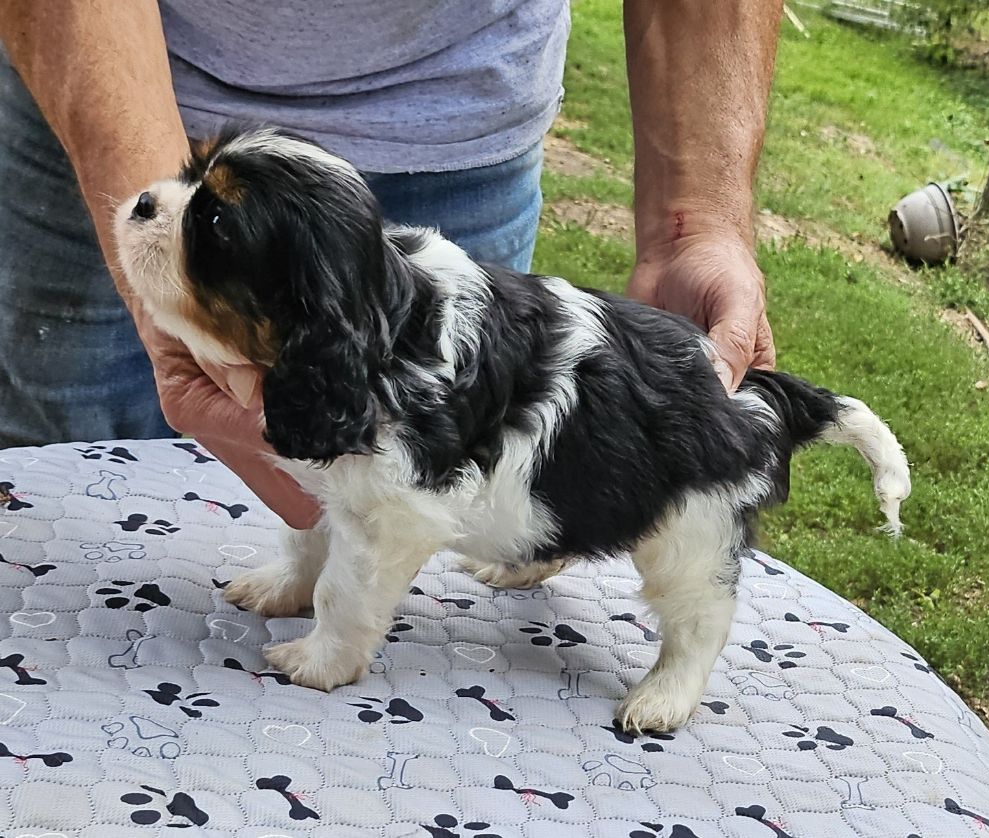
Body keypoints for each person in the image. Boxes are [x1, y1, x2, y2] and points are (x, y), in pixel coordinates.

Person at [0, 1, 780, 529]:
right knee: (61, 506)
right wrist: (161, 217)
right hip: (115, 76)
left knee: (422, 497)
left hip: (465, 122)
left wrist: (693, 223)